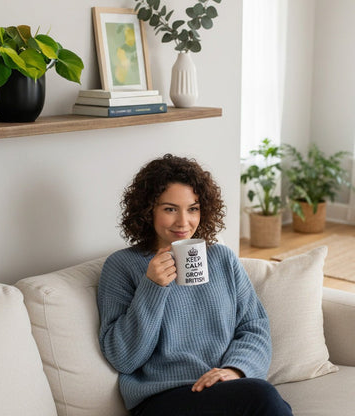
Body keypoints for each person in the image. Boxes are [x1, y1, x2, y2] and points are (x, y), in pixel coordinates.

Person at [97, 154, 293, 416]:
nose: (183, 222)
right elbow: (123, 357)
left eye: (193, 208)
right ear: (147, 210)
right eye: (169, 209)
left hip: (223, 390)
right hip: (162, 398)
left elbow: (254, 327)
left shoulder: (222, 258)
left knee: (266, 401)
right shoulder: (121, 266)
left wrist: (235, 371)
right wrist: (152, 287)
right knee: (264, 398)